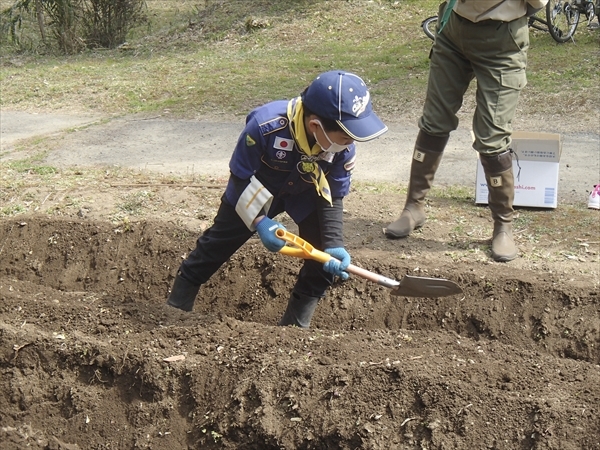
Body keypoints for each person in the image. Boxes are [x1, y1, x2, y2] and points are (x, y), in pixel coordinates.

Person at [166, 70, 388, 328]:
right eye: (347, 136)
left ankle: (294, 327)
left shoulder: (343, 147)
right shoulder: (265, 126)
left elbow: (333, 195)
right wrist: (260, 220)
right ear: (316, 126)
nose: (350, 143)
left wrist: (334, 243)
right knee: (217, 243)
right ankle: (176, 309)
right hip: (257, 189)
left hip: (307, 194)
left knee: (322, 259)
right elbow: (239, 178)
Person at [385, 0, 548, 262]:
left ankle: (502, 226)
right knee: (434, 122)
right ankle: (413, 207)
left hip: (502, 39)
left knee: (492, 138)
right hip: (454, 29)